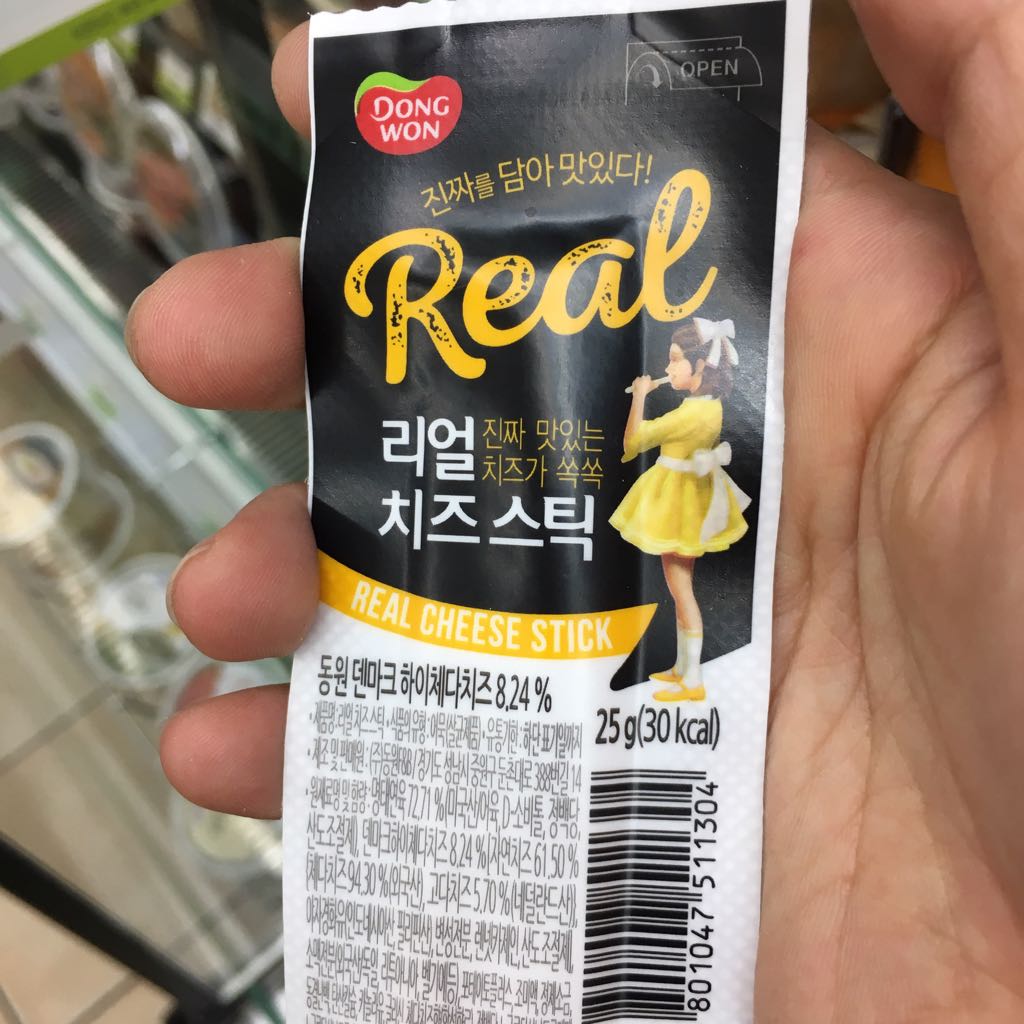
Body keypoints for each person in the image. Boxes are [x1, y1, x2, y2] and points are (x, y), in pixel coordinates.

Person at [126, 1, 1024, 1017]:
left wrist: (648, 402)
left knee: (678, 589)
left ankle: (681, 674)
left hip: (687, 503)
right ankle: (681, 673)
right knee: (671, 591)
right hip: (672, 551)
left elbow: (658, 435)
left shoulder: (715, 390)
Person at [611, 320, 750, 701]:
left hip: (678, 502)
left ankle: (693, 681)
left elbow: (634, 442)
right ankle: (683, 667)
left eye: (675, 360)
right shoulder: (708, 407)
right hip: (690, 498)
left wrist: (639, 396)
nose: (668, 368)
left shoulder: (689, 415)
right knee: (680, 588)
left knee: (682, 590)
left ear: (700, 365)